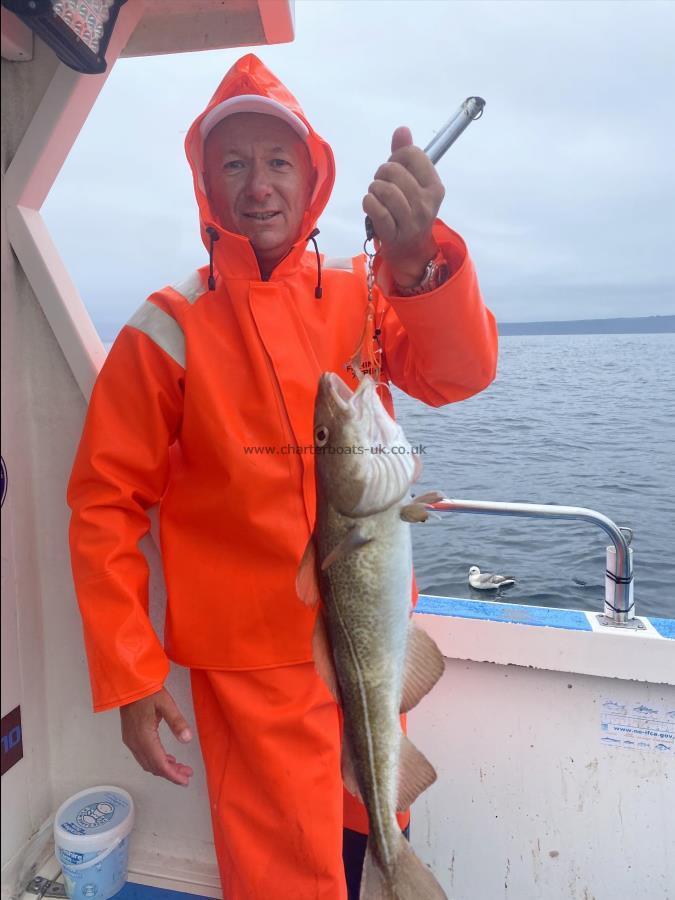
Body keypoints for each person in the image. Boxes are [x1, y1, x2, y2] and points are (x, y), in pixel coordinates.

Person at [67, 54, 498, 900]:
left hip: (367, 645)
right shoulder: (166, 328)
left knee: (370, 829)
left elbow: (457, 374)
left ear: (312, 179)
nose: (256, 185)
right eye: (232, 163)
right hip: (248, 678)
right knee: (280, 879)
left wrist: (420, 262)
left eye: (277, 162)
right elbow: (103, 504)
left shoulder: (363, 290)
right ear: (203, 184)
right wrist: (132, 674)